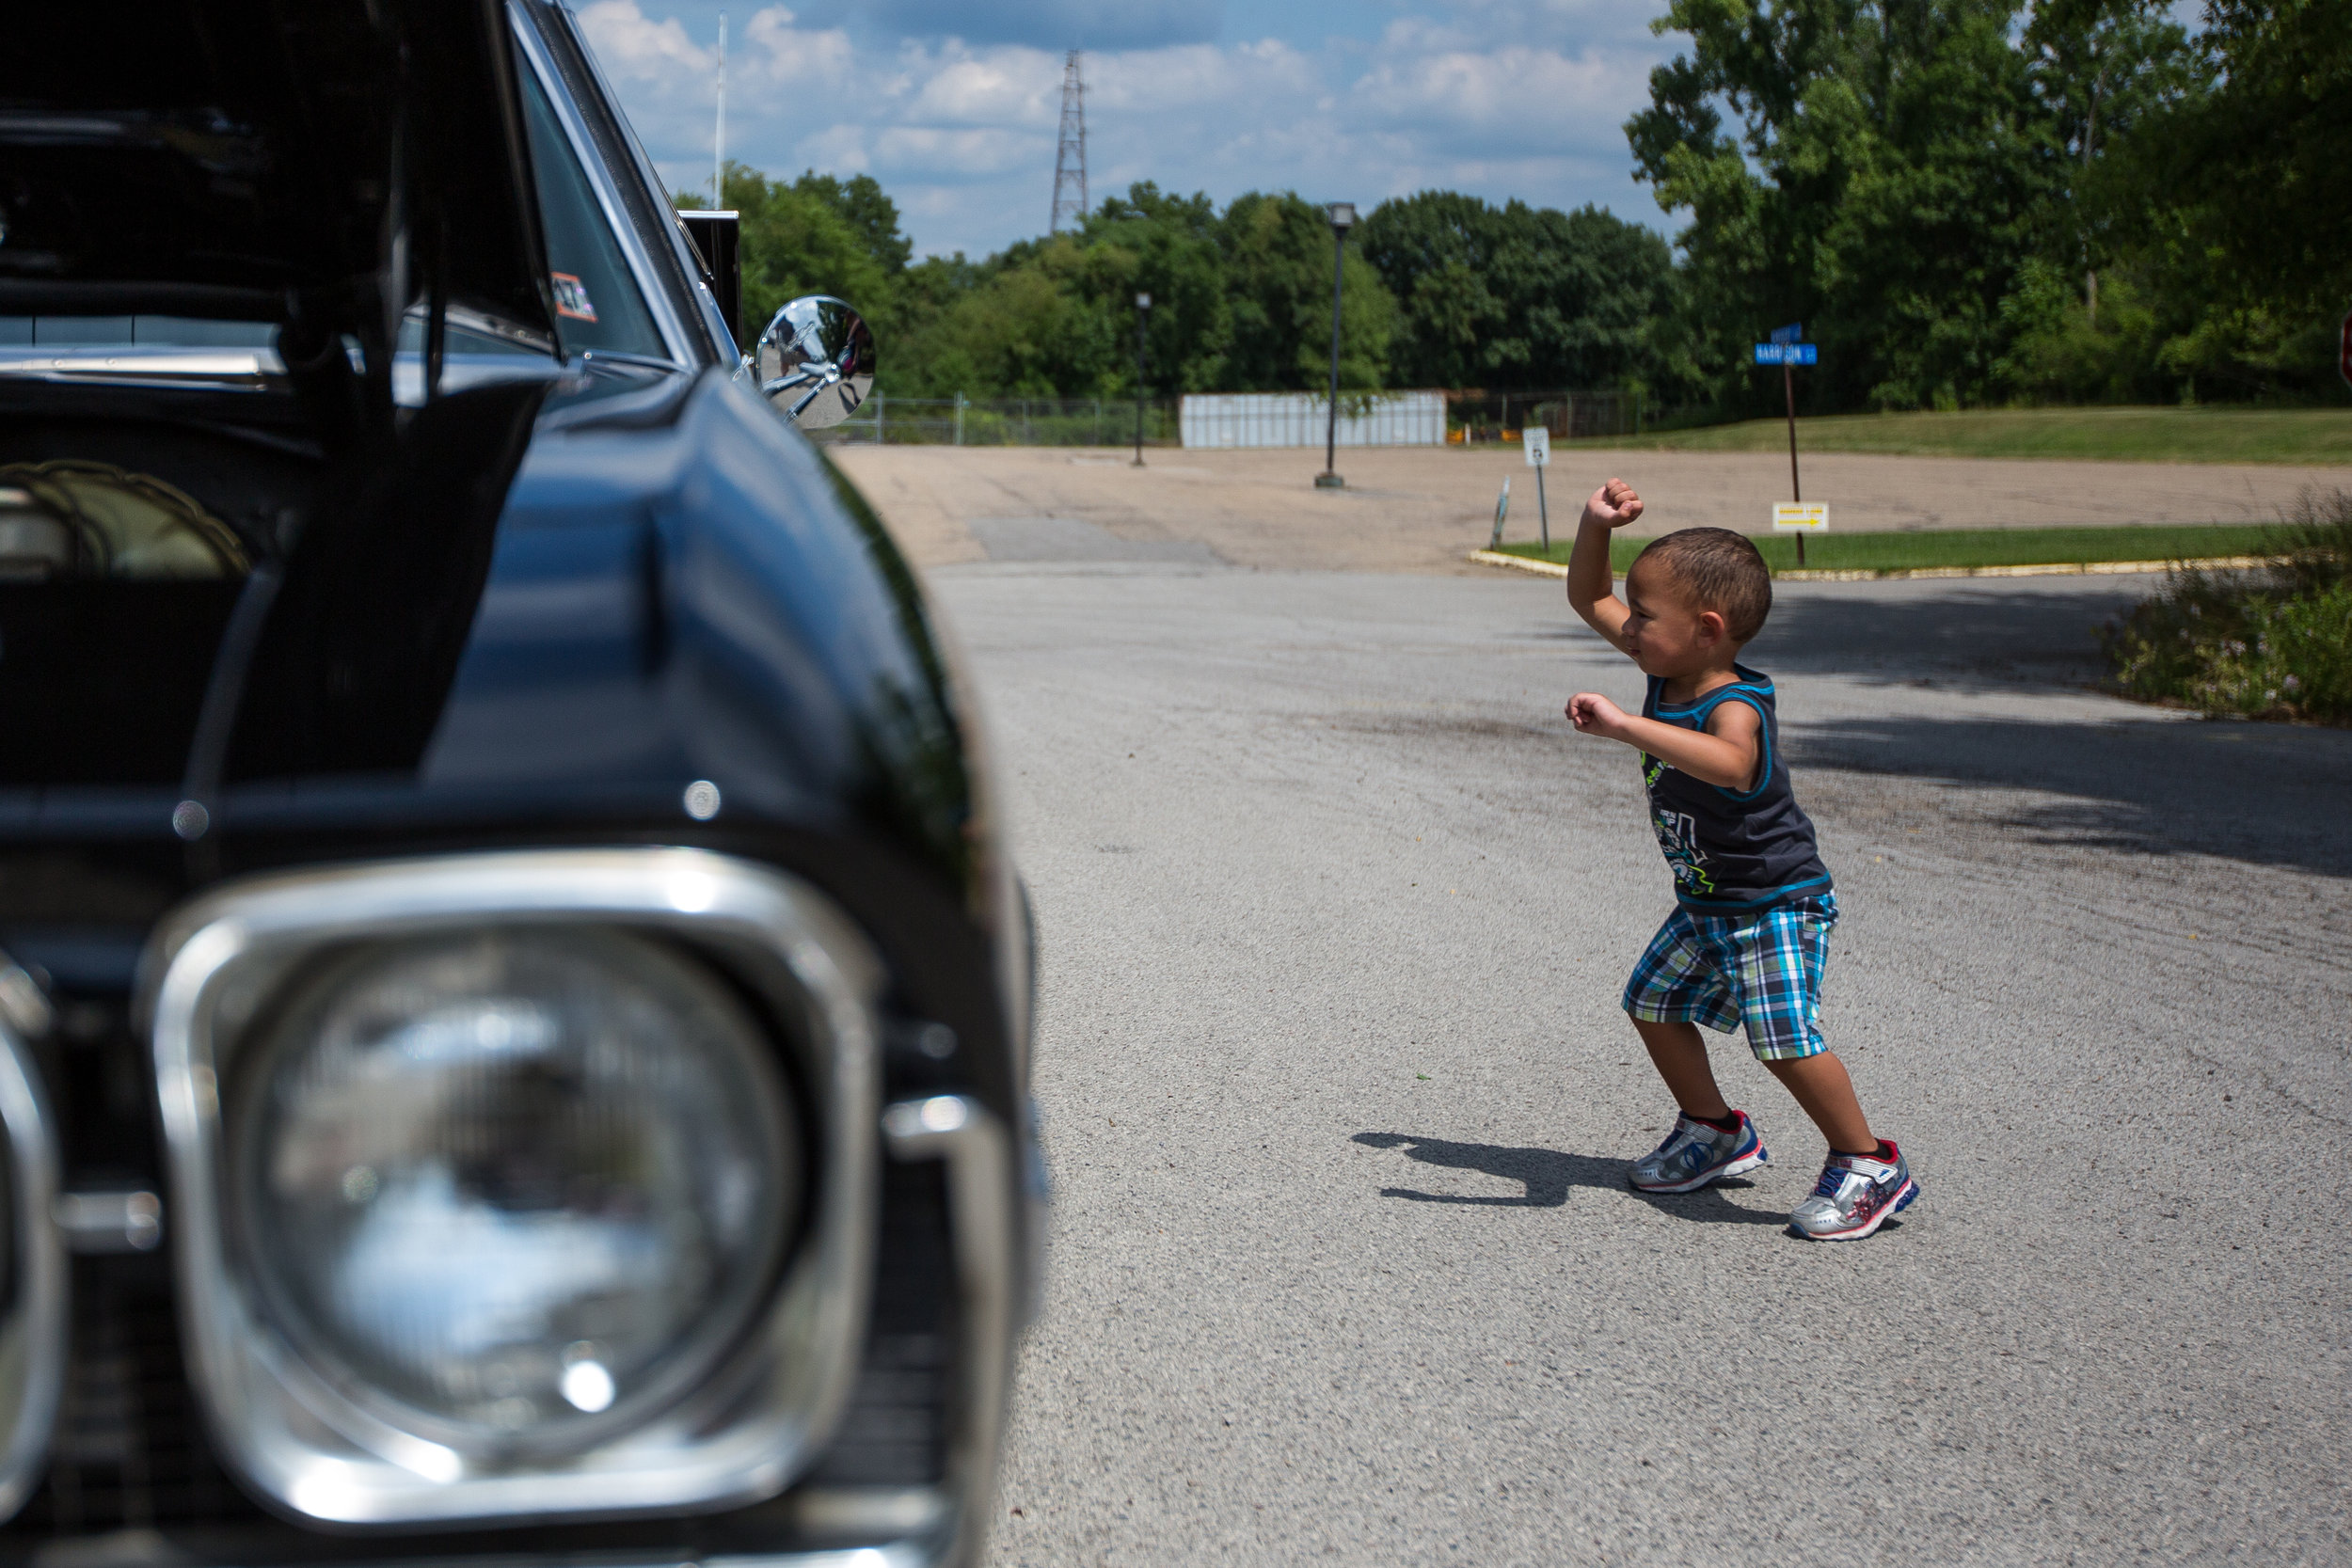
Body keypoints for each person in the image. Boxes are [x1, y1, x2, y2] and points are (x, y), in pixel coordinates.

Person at [1562, 476, 1917, 1241]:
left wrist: (1628, 727)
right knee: (1652, 1002)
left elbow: (1727, 764)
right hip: (1707, 902)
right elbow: (1588, 596)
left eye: (1645, 615)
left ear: (1708, 628)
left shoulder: (1734, 705)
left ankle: (1868, 1162)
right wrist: (1595, 525)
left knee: (1785, 1035)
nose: (1628, 628)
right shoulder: (1666, 667)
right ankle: (1715, 1130)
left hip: (1775, 900)